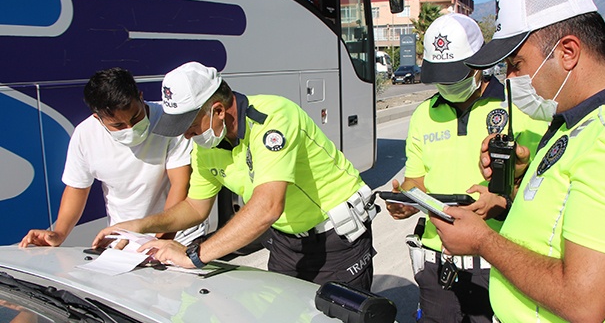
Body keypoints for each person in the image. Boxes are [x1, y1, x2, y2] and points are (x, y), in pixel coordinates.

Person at [430, 0, 605, 322]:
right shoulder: (573, 122)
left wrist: (483, 242)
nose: (510, 79)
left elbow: (583, 302)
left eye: (516, 64)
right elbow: (558, 221)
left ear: (567, 52)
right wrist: (512, 191)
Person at [93, 62, 377, 290]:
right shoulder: (207, 145)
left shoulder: (273, 117)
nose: (186, 135)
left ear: (217, 110)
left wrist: (194, 255)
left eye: (189, 126)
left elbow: (267, 206)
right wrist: (140, 225)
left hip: (338, 239)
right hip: (288, 242)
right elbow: (195, 207)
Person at [385, 13, 546, 322]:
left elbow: (545, 184)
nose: (447, 85)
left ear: (479, 66)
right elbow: (415, 181)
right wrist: (405, 202)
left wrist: (501, 200)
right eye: (440, 78)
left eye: (455, 77)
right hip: (438, 263)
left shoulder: (520, 106)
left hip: (497, 263)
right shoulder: (423, 115)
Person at [19, 68, 203, 248]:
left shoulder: (169, 121)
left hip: (180, 239)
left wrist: (161, 241)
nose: (131, 127)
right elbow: (77, 188)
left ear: (140, 96)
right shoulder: (85, 135)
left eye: (136, 117)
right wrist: (59, 234)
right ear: (97, 118)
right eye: (118, 125)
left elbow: (180, 183)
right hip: (124, 243)